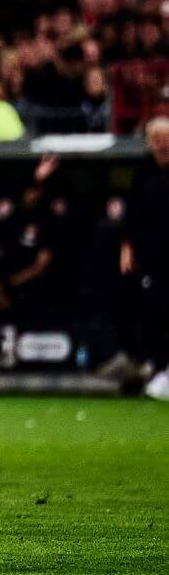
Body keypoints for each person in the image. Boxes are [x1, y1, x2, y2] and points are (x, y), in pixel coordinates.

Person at [121, 116, 169, 399]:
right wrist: (127, 247)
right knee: (156, 313)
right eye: (156, 139)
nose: (161, 144)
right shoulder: (143, 173)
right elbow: (133, 216)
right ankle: (160, 367)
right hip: (154, 257)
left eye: (165, 138)